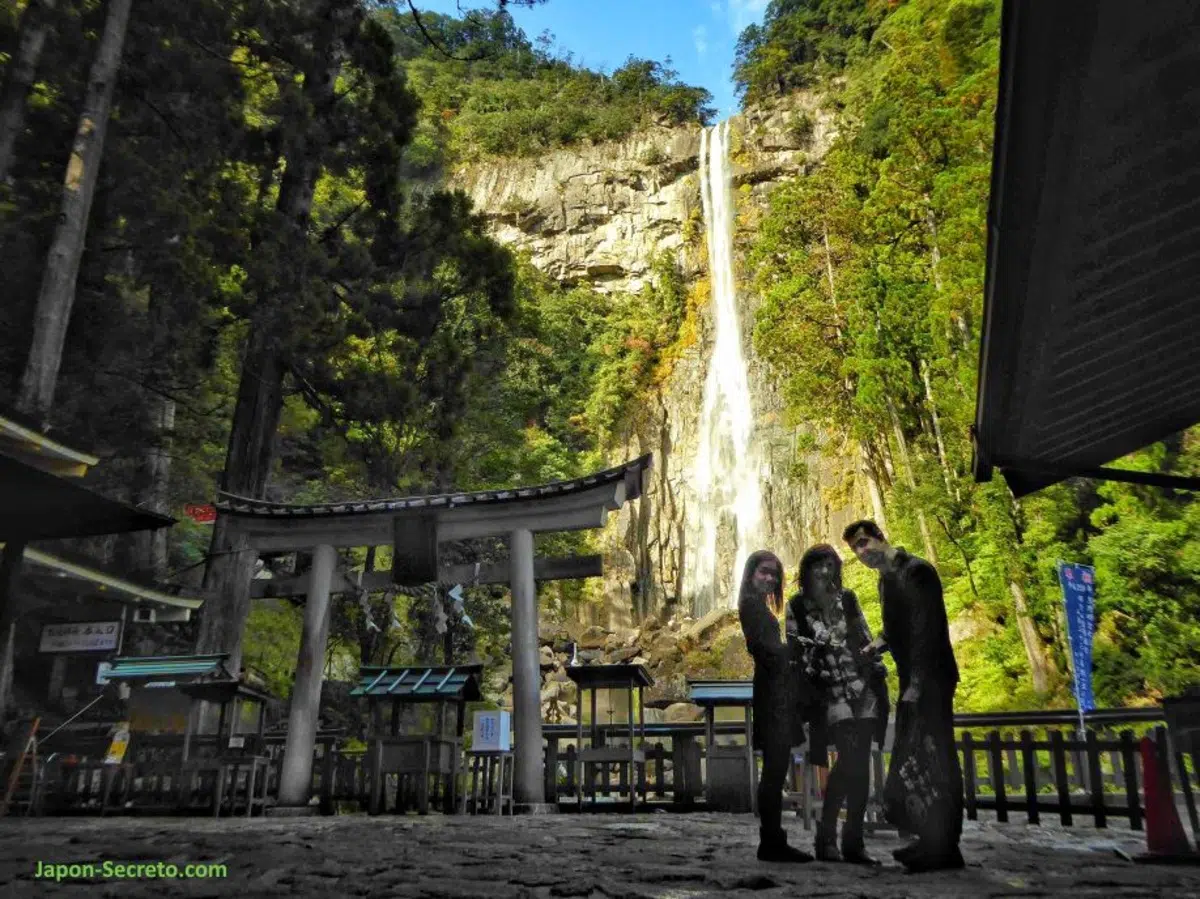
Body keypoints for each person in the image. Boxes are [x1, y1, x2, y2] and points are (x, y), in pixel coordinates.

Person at [842, 520, 964, 872]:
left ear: (882, 537)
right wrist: (873, 647)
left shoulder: (917, 571)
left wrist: (917, 684)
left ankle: (945, 846)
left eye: (865, 542)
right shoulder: (886, 579)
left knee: (937, 756)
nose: (862, 552)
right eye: (855, 549)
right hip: (914, 678)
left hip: (932, 680)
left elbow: (927, 629)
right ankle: (931, 840)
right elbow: (896, 630)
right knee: (917, 760)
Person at [787, 544, 889, 864]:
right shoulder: (796, 606)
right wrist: (812, 652)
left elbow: (865, 635)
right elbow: (793, 650)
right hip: (830, 692)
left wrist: (875, 654)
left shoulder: (849, 599)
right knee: (853, 758)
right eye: (817, 564)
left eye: (829, 564)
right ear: (806, 570)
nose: (824, 571)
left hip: (862, 688)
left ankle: (843, 837)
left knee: (856, 761)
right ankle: (836, 836)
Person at [737, 550, 813, 863]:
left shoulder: (755, 605)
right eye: (763, 572)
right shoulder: (753, 606)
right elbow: (765, 649)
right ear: (750, 573)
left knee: (774, 768)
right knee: (774, 769)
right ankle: (771, 841)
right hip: (773, 695)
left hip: (772, 691)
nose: (769, 578)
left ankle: (773, 838)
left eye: (774, 574)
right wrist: (796, 649)